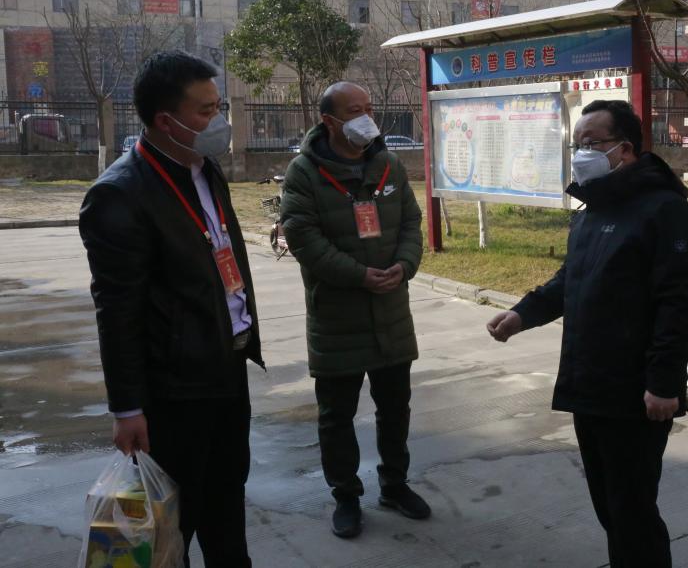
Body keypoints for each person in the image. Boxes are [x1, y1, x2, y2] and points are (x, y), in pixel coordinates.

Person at [486, 100, 688, 568]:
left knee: (632, 511)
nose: (581, 153)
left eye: (591, 143)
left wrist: (664, 381)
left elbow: (679, 303)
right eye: (577, 144)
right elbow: (571, 278)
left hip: (634, 393)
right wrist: (523, 314)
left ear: (624, 149)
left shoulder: (665, 211)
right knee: (609, 506)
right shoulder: (591, 209)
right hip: (590, 384)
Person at [79, 50, 263, 567]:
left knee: (227, 507)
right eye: (206, 111)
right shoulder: (120, 194)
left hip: (226, 370)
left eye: (219, 105)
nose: (219, 120)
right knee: (170, 528)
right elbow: (117, 311)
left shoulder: (204, 169)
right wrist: (127, 407)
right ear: (166, 120)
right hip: (175, 391)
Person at [280, 81, 428, 539]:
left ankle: (395, 484)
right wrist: (360, 275)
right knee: (336, 416)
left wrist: (404, 265)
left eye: (369, 108)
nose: (366, 117)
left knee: (395, 408)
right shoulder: (304, 173)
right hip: (337, 317)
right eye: (353, 111)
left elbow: (411, 222)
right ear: (329, 121)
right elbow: (304, 239)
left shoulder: (388, 164)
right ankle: (345, 495)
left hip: (391, 313)